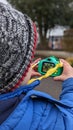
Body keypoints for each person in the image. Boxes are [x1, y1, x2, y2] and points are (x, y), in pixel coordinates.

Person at [0, 2, 73, 130]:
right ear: (12, 70)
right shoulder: (41, 117)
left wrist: (19, 83)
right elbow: (69, 119)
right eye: (27, 60)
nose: (31, 63)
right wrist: (71, 84)